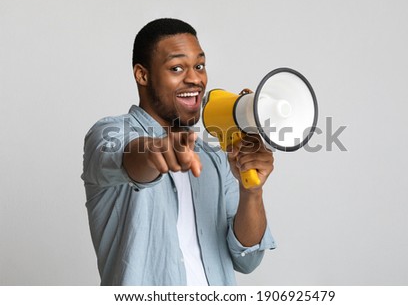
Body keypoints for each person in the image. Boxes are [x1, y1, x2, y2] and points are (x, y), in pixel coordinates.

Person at [82, 18, 276, 285]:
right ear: (142, 74)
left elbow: (247, 259)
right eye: (176, 67)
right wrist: (157, 150)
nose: (195, 78)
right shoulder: (107, 133)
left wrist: (252, 191)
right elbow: (131, 158)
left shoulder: (216, 158)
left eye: (199, 66)